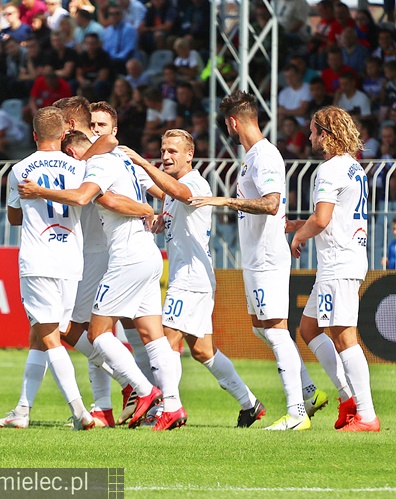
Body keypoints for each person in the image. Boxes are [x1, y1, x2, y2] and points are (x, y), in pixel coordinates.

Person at [19, 104, 179, 430]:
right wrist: (152, 210)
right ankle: (150, 405)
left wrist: (147, 209)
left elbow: (100, 197)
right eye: (92, 123)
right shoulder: (108, 160)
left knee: (80, 330)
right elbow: (156, 191)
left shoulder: (97, 160)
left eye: (101, 124)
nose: (97, 129)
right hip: (130, 253)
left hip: (106, 254)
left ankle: (140, 389)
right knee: (146, 332)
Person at [190, 90, 328, 431]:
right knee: (260, 328)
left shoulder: (265, 156)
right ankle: (310, 392)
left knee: (276, 331)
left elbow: (270, 203)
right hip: (254, 258)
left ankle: (297, 413)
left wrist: (223, 200)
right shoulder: (251, 157)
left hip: (267, 257)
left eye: (227, 124)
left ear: (233, 122)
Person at [122, 129, 266, 427]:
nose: (165, 156)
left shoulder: (194, 182)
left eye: (173, 151)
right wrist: (161, 221)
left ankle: (169, 408)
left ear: (190, 154)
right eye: (163, 150)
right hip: (192, 278)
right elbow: (172, 201)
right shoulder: (174, 189)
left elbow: (180, 194)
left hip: (190, 278)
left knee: (164, 342)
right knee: (202, 351)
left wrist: (143, 163)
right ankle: (250, 403)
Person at [0, 106, 95, 430]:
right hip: (71, 261)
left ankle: (80, 411)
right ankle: (22, 411)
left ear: (34, 135)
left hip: (38, 259)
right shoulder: (80, 167)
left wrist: (35, 208)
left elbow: (13, 217)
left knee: (50, 339)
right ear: (64, 134)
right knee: (40, 336)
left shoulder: (20, 169)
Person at [288, 107, 379, 432]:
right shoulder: (354, 167)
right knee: (309, 328)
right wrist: (302, 224)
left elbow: (323, 218)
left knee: (344, 337)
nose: (310, 137)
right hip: (343, 258)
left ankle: (366, 415)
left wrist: (300, 234)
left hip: (339, 262)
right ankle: (347, 398)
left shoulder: (328, 170)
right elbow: (333, 219)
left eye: (313, 132)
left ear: (325, 134)